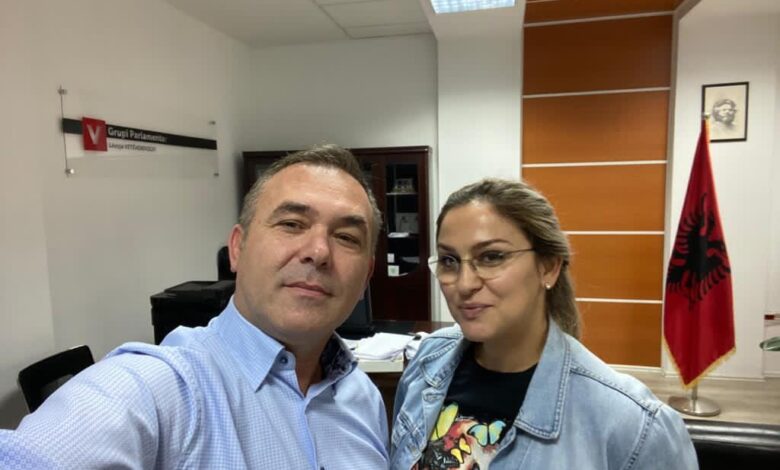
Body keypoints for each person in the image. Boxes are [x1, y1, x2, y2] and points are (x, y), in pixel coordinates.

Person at [0, 144, 389, 469]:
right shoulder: (163, 389)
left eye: (346, 237)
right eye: (291, 224)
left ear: (365, 278)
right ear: (237, 248)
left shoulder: (363, 399)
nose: (319, 252)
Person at [390, 178, 697, 469]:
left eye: (492, 257)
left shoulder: (634, 425)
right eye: (449, 261)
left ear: (548, 267)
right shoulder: (428, 361)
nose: (464, 283)